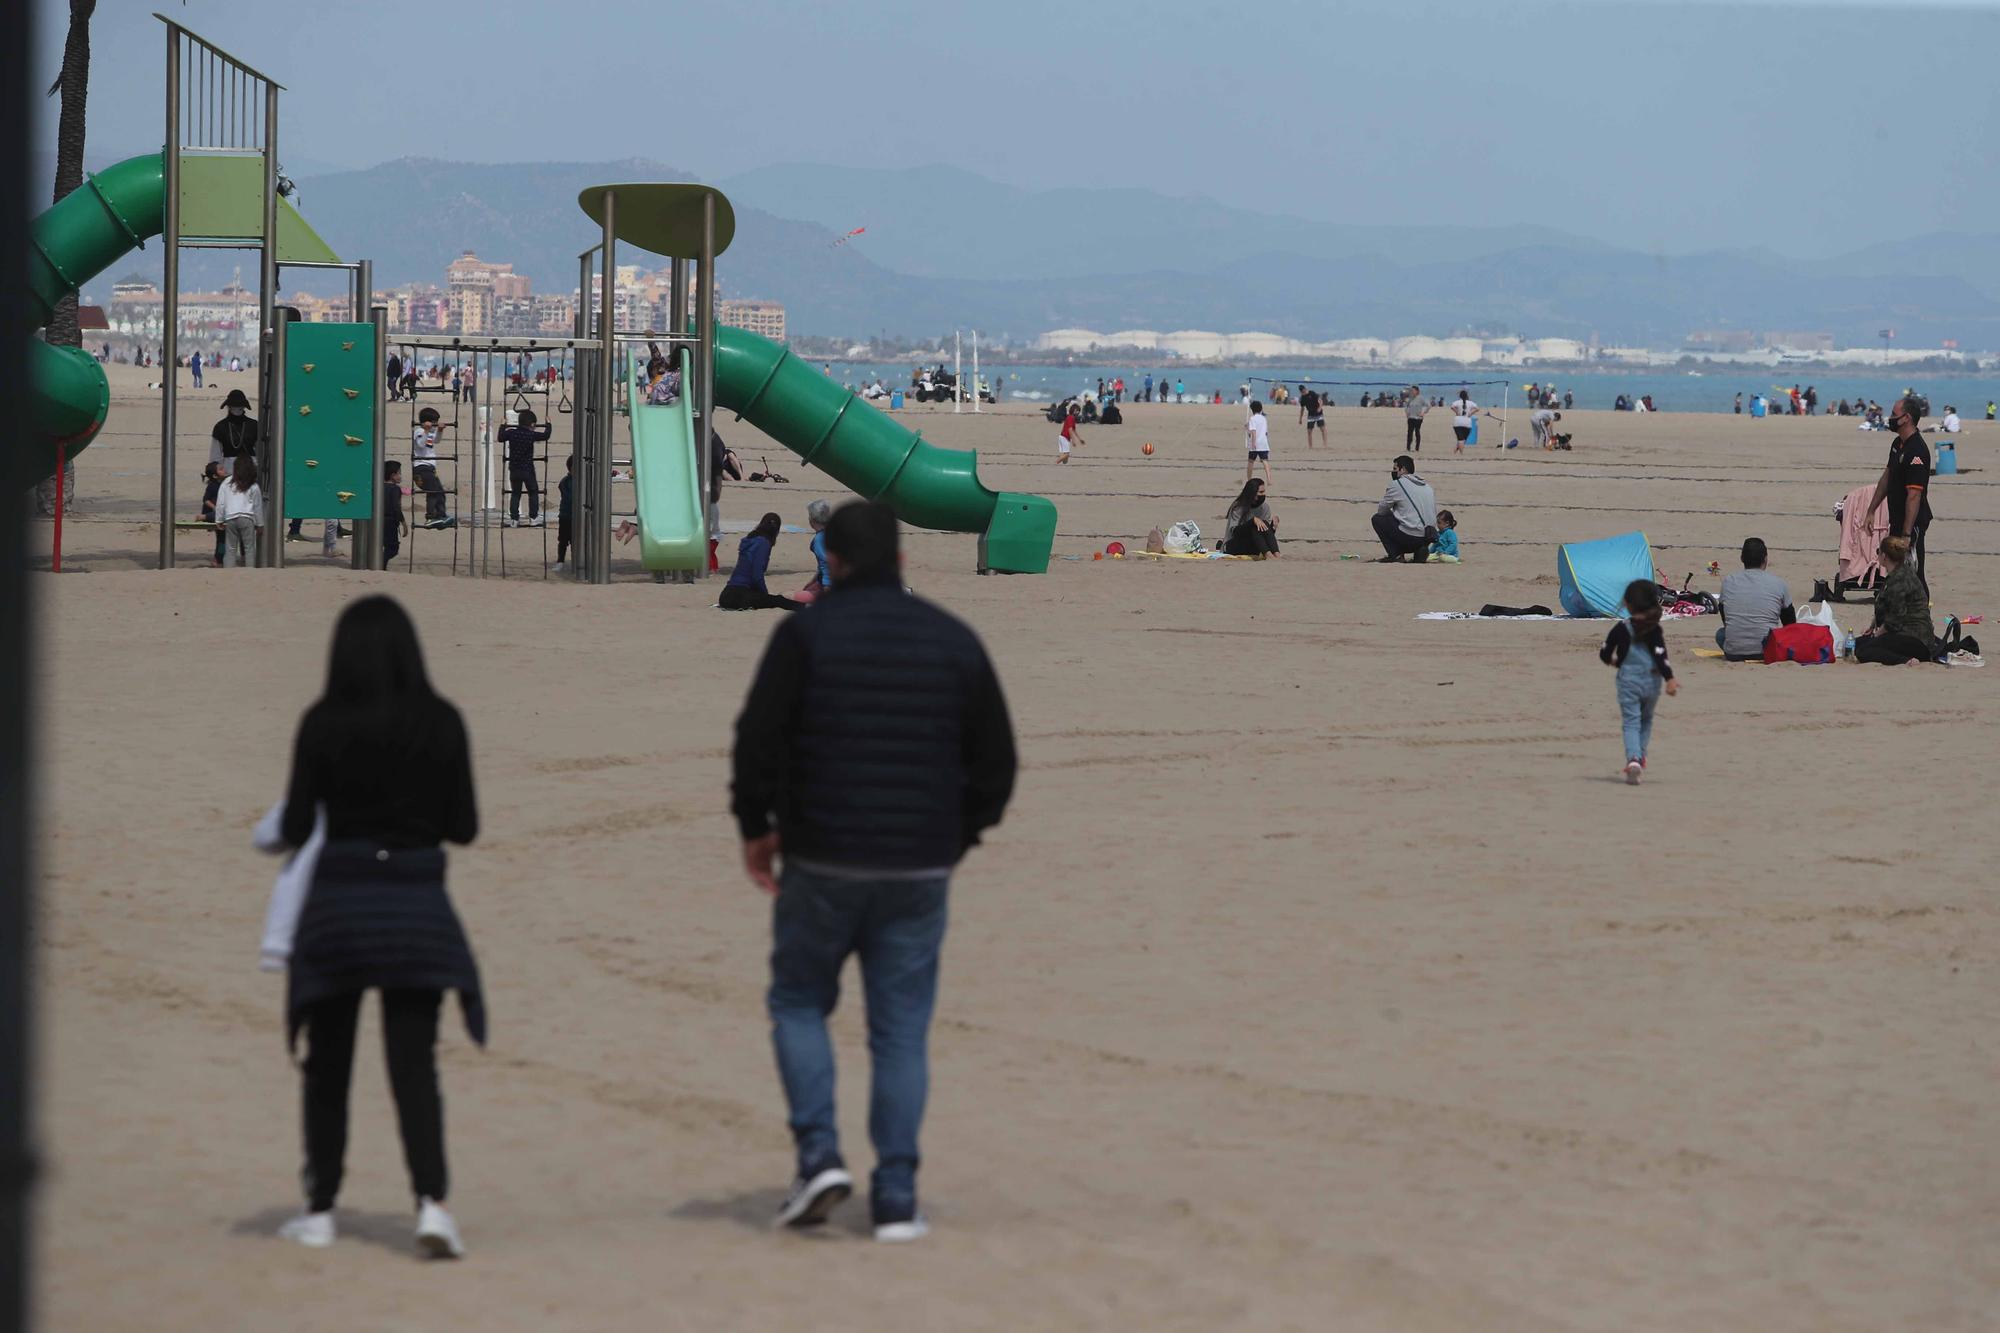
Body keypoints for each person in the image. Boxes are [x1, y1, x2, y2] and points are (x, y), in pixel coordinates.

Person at [731, 501, 1017, 1242]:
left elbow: (756, 740)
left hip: (823, 854)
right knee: (899, 1032)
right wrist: (959, 836)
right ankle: (895, 1194)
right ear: (902, 559)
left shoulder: (805, 634)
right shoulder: (951, 638)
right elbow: (996, 761)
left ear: (832, 558)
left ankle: (819, 1155)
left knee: (797, 1002)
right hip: (918, 863)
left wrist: (755, 827)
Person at [272, 595, 482, 1257]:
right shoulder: (443, 721)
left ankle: (320, 1207)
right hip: (415, 903)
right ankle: (432, 1204)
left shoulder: (322, 721)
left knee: (328, 1064)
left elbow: (299, 826)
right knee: (414, 1064)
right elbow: (464, 826)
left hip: (340, 901)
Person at [1599, 579, 1679, 784]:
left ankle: (1633, 759)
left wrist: (1613, 661)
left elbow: (1606, 652)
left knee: (1631, 722)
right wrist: (1669, 679)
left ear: (1628, 603)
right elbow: (1661, 656)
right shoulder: (1654, 629)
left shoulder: (1621, 628)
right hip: (1651, 682)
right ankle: (1640, 755)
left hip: (1628, 681)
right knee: (1646, 720)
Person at [1868, 395, 1933, 582]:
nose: (1890, 418)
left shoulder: (1917, 451)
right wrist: (1871, 510)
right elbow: (1887, 478)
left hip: (1913, 523)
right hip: (1896, 518)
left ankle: (1921, 610)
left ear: (1906, 418)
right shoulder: (1897, 444)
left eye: (1894, 414)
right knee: (1895, 571)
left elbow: (1914, 496)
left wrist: (1906, 535)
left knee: (1914, 573)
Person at [1853, 536, 1936, 664]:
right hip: (1903, 634)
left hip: (1915, 638)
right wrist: (1872, 627)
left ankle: (1906, 660)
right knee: (1855, 644)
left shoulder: (1899, 579)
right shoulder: (1897, 574)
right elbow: (1888, 606)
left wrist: (1876, 636)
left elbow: (1894, 621)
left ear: (1884, 556)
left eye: (1878, 552)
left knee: (1864, 651)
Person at [1715, 537, 1796, 660]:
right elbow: (1790, 624)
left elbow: (1725, 618)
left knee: (1721, 634)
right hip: (1769, 650)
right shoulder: (1778, 583)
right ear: (1765, 559)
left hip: (1734, 652)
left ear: (1742, 559)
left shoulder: (1728, 581)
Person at [721, 512, 800, 611]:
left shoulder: (749, 540)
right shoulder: (763, 543)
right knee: (778, 600)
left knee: (767, 598)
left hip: (726, 594)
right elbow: (756, 574)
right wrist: (764, 594)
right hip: (740, 595)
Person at [1372, 454, 1438, 563]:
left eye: (1395, 469)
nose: (1393, 472)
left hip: (1410, 537)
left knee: (1377, 519)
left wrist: (1393, 513)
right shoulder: (1427, 487)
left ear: (1402, 470)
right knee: (1405, 516)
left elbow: (1382, 510)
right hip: (1428, 536)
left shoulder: (1397, 484)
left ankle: (1396, 555)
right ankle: (1419, 550)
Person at [499, 409, 552, 526]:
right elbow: (545, 435)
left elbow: (500, 437)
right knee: (533, 492)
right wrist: (548, 424)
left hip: (514, 469)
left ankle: (514, 519)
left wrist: (502, 425)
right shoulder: (531, 435)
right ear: (532, 425)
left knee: (515, 493)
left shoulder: (512, 432)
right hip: (528, 469)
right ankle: (533, 518)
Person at [216, 454, 263, 568]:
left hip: (231, 517)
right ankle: (250, 569)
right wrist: (260, 524)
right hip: (247, 518)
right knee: (249, 548)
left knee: (230, 548)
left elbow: (221, 503)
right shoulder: (253, 485)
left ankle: (229, 570)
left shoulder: (227, 482)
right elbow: (257, 507)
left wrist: (219, 519)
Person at [411, 406, 450, 527]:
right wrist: (426, 431)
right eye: (434, 423)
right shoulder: (419, 432)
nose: (434, 425)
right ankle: (430, 516)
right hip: (421, 468)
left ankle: (441, 515)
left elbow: (436, 441)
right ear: (426, 423)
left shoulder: (431, 432)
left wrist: (440, 430)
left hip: (430, 469)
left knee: (440, 492)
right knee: (433, 491)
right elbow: (421, 444)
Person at [1222, 477, 1280, 557]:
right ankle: (1268, 555)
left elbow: (1264, 534)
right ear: (1253, 493)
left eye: (1264, 491)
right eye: (1261, 492)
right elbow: (1234, 532)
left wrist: (1272, 527)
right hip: (1234, 545)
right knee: (1253, 526)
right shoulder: (1238, 507)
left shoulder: (1265, 507)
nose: (1263, 494)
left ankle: (1276, 554)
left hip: (1254, 545)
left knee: (1263, 524)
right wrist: (1252, 521)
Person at [210, 388, 259, 474]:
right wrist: (218, 470)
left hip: (251, 469)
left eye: (239, 406)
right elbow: (215, 455)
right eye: (234, 406)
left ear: (244, 407)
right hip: (228, 471)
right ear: (229, 407)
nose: (236, 409)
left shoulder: (254, 425)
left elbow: (260, 451)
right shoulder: (220, 427)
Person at [199, 460, 228, 568]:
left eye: (223, 468)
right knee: (222, 538)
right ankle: (218, 560)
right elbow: (205, 500)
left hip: (220, 516)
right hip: (212, 514)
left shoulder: (224, 483)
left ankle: (219, 559)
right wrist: (215, 508)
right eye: (221, 469)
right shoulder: (213, 486)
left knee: (223, 538)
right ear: (215, 476)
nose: (224, 470)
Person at [802, 498, 833, 595]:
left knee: (791, 596)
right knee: (806, 590)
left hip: (831, 583)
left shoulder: (819, 540)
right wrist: (812, 582)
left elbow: (826, 564)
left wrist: (827, 588)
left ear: (812, 519)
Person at [383, 461, 409, 566]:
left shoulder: (378, 487)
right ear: (393, 475)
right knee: (393, 548)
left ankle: (381, 564)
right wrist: (403, 523)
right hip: (389, 522)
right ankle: (381, 563)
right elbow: (396, 508)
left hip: (377, 519)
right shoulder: (395, 489)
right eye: (399, 473)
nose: (400, 476)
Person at [554, 456, 575, 573]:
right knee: (563, 540)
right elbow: (568, 497)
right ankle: (560, 561)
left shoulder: (584, 480)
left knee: (576, 541)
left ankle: (575, 562)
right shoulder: (565, 482)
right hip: (566, 516)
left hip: (578, 517)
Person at [1244, 400, 1271, 482]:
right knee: (1265, 461)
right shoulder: (1263, 418)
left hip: (1255, 444)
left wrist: (1253, 443)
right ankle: (1269, 479)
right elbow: (1265, 432)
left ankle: (1249, 479)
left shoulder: (1252, 419)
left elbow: (1253, 431)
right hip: (1263, 443)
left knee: (1251, 461)